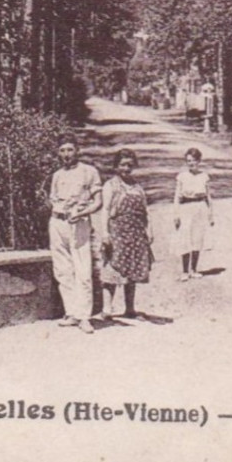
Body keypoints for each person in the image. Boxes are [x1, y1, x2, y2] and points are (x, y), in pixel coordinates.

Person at [47, 140, 103, 333]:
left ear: (77, 151)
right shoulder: (57, 175)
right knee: (63, 269)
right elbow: (53, 199)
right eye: (62, 150)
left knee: (82, 269)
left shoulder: (89, 171)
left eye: (70, 150)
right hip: (57, 223)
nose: (66, 154)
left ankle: (85, 317)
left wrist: (80, 212)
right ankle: (71, 312)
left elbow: (98, 202)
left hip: (78, 224)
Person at [97, 149, 154, 319]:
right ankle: (107, 309)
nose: (126, 168)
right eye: (123, 164)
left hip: (136, 232)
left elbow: (145, 211)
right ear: (116, 166)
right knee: (112, 268)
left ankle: (130, 309)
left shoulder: (137, 187)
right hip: (117, 230)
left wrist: (149, 230)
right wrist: (105, 233)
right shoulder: (110, 185)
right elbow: (105, 210)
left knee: (133, 269)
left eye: (130, 165)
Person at [173, 147, 215, 280]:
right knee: (185, 239)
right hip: (186, 207)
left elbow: (208, 196)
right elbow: (177, 197)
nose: (191, 163)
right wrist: (176, 214)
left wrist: (211, 214)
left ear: (199, 161)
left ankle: (194, 269)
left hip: (200, 208)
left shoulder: (204, 176)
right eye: (188, 161)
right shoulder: (182, 177)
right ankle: (185, 271)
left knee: (197, 238)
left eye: (193, 161)